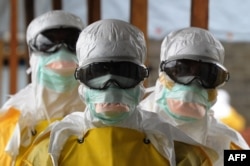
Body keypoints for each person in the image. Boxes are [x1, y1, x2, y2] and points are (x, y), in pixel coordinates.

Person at [22, 19, 218, 166]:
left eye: (125, 73)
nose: (111, 85)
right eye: (97, 72)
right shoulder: (48, 150)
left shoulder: (191, 152)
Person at [140, 27, 249, 166]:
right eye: (181, 70)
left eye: (206, 75)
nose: (193, 84)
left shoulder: (226, 143)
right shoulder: (135, 131)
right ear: (163, 75)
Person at [0, 10, 85, 165]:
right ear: (32, 55)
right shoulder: (13, 126)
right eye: (47, 43)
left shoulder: (105, 117)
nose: (61, 53)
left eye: (72, 42)